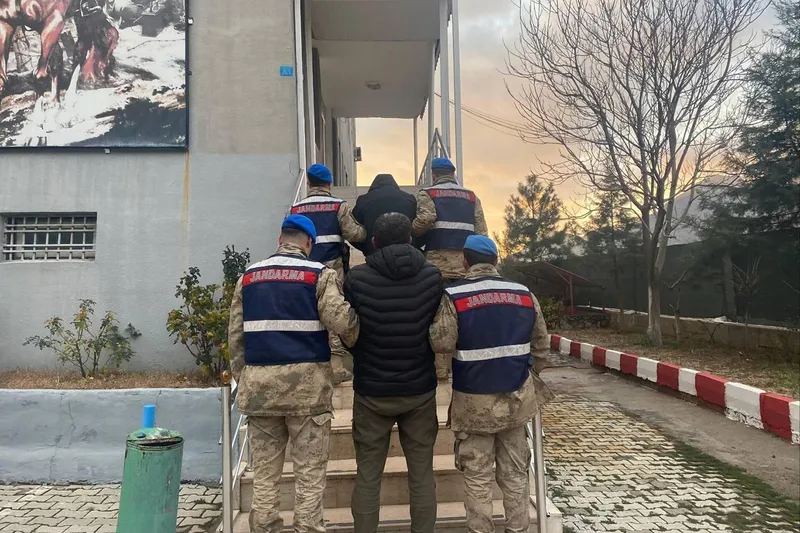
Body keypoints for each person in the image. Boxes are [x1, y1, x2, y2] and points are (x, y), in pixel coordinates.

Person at [228, 214, 360, 533]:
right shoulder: (320, 275)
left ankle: (264, 527)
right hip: (308, 392)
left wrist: (245, 378)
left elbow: (235, 337)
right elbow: (342, 322)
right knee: (309, 477)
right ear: (309, 243)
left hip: (260, 391)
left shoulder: (248, 277)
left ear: (280, 239)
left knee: (264, 478)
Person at [429, 235, 554, 533]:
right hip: (516, 399)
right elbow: (541, 347)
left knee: (477, 475)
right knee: (516, 473)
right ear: (496, 261)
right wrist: (526, 375)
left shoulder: (454, 296)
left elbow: (441, 342)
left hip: (473, 403)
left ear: (464, 261)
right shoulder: (524, 294)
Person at [343, 213, 443, 533]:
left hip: (371, 391)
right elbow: (437, 330)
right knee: (422, 474)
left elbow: (349, 333)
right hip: (420, 390)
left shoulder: (356, 278)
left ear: (374, 242)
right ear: (410, 239)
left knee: (368, 476)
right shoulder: (432, 276)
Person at [291, 163, 366, 383]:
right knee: (334, 312)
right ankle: (335, 367)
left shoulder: (296, 208)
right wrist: (368, 230)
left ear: (308, 182)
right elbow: (355, 234)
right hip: (332, 269)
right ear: (330, 183)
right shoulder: (338, 206)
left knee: (307, 312)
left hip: (303, 271)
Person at [411, 157, 488, 283]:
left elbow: (426, 219)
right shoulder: (471, 196)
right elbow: (482, 232)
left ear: (434, 176)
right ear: (453, 174)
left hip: (438, 259)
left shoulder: (428, 193)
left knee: (438, 291)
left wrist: (412, 233)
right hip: (465, 260)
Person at [352, 173, 417, 256]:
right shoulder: (409, 199)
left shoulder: (364, 200)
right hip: (406, 252)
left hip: (375, 252)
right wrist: (413, 244)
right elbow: (420, 225)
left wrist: (367, 247)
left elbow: (353, 229)